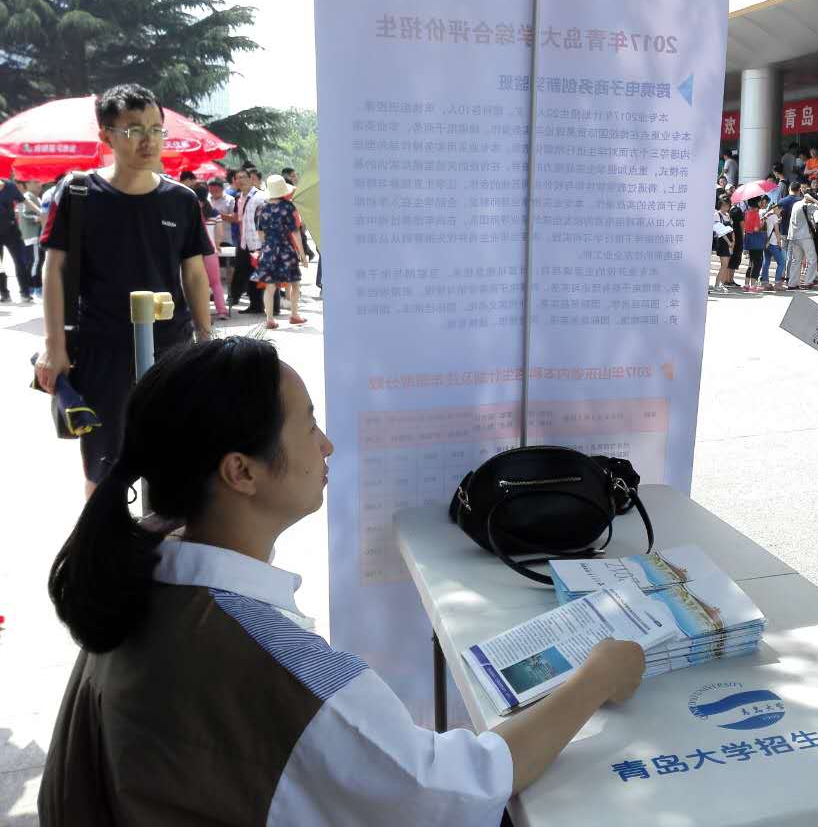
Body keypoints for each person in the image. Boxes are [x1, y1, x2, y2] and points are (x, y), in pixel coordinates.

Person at [39, 337, 645, 826]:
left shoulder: (139, 574)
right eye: (308, 426)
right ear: (241, 472)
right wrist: (596, 678)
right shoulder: (276, 669)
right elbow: (450, 790)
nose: (326, 445)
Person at [34, 83, 212, 495]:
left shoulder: (182, 200)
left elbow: (195, 275)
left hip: (171, 348)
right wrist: (54, 345)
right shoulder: (79, 193)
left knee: (173, 455)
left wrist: (205, 339)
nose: (148, 140)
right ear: (106, 136)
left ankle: (165, 533)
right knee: (105, 465)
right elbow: (54, 269)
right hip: (104, 349)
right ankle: (103, 534)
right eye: (133, 129)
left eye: (155, 129)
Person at [252, 175, 309, 330]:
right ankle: (294, 315)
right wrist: (303, 256)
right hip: (286, 250)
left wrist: (267, 246)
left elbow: (260, 233)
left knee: (270, 287)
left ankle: (269, 319)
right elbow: (295, 233)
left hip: (268, 250)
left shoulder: (261, 208)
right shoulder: (288, 207)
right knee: (295, 283)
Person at [228, 167, 269, 315]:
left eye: (243, 177)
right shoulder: (239, 198)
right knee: (247, 273)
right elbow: (241, 220)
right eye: (237, 178)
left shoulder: (260, 197)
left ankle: (266, 306)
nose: (240, 180)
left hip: (258, 242)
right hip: (245, 242)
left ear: (251, 179)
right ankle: (254, 305)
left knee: (260, 274)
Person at [192, 184, 229, 321]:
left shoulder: (189, 210)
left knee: (196, 284)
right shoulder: (213, 212)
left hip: (193, 253)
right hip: (211, 252)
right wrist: (217, 246)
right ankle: (222, 311)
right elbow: (219, 233)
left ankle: (201, 313)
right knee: (216, 283)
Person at [0, 176, 34, 302]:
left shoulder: (9, 186)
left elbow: (24, 200)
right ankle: (4, 293)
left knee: (21, 261)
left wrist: (40, 212)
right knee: (0, 265)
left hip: (11, 230)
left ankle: (25, 292)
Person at [783, 186, 818, 289]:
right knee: (812, 259)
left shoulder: (796, 204)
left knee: (796, 260)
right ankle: (808, 282)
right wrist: (812, 199)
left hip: (794, 236)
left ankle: (792, 283)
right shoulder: (808, 206)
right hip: (805, 236)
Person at [19, 181, 46, 296]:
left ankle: (34, 286)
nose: (39, 185)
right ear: (28, 184)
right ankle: (34, 286)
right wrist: (37, 218)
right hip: (32, 235)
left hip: (37, 234)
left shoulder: (36, 197)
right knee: (35, 261)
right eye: (36, 182)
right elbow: (24, 213)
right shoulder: (27, 196)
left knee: (38, 260)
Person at [741, 196, 767, 292]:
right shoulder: (756, 214)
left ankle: (746, 284)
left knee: (751, 263)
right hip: (756, 241)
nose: (761, 203)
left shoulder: (747, 212)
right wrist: (762, 223)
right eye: (760, 201)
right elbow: (756, 229)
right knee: (757, 263)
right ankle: (753, 285)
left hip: (749, 239)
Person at [761, 201, 786, 291]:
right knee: (781, 262)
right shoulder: (774, 216)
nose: (780, 212)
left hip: (765, 242)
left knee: (766, 262)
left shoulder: (766, 215)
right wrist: (779, 243)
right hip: (773, 243)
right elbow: (777, 231)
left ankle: (765, 282)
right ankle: (777, 283)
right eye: (780, 210)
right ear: (777, 208)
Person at [711, 196, 734, 293]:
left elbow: (731, 230)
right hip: (722, 242)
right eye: (724, 205)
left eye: (727, 206)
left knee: (726, 265)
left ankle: (721, 283)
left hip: (730, 242)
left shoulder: (728, 215)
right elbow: (719, 230)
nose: (726, 208)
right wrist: (729, 242)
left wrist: (733, 241)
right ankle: (717, 284)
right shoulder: (717, 214)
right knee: (724, 265)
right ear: (720, 205)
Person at [725, 196, 745, 288]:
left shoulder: (727, 212)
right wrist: (743, 234)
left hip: (729, 236)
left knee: (730, 257)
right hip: (737, 236)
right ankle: (730, 279)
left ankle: (728, 279)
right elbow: (742, 224)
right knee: (735, 257)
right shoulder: (737, 210)